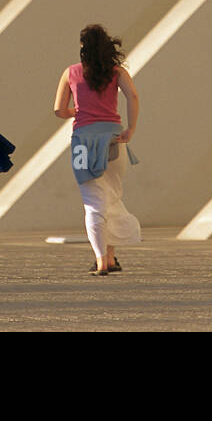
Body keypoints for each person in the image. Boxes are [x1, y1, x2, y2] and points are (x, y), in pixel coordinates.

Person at [53, 24, 141, 275]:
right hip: (114, 139)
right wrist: (131, 128)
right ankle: (110, 257)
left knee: (93, 202)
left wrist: (76, 111)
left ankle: (101, 260)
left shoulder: (71, 72)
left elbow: (59, 110)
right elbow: (132, 97)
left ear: (83, 48)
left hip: (83, 141)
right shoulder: (117, 72)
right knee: (111, 196)